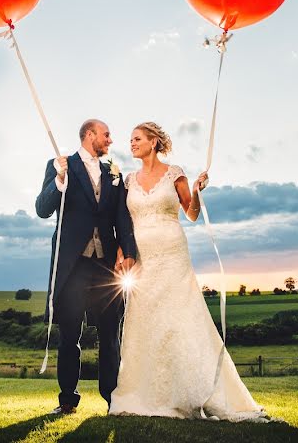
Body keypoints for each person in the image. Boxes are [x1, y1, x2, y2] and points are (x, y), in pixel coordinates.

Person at [108, 121, 268, 421]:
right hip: (142, 259)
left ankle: (196, 390)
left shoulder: (174, 173)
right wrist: (121, 251)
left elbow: (191, 214)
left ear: (154, 142)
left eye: (137, 138)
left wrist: (196, 190)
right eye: (130, 140)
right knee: (146, 321)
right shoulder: (128, 180)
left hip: (172, 255)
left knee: (179, 318)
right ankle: (147, 392)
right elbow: (123, 224)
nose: (131, 143)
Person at [35, 118, 136, 415]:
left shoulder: (113, 172)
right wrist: (59, 180)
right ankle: (67, 400)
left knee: (110, 336)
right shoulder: (60, 165)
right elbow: (42, 209)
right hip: (73, 266)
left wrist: (128, 253)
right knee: (69, 336)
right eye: (106, 135)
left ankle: (112, 400)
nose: (110, 140)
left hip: (106, 268)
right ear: (90, 135)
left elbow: (122, 218)